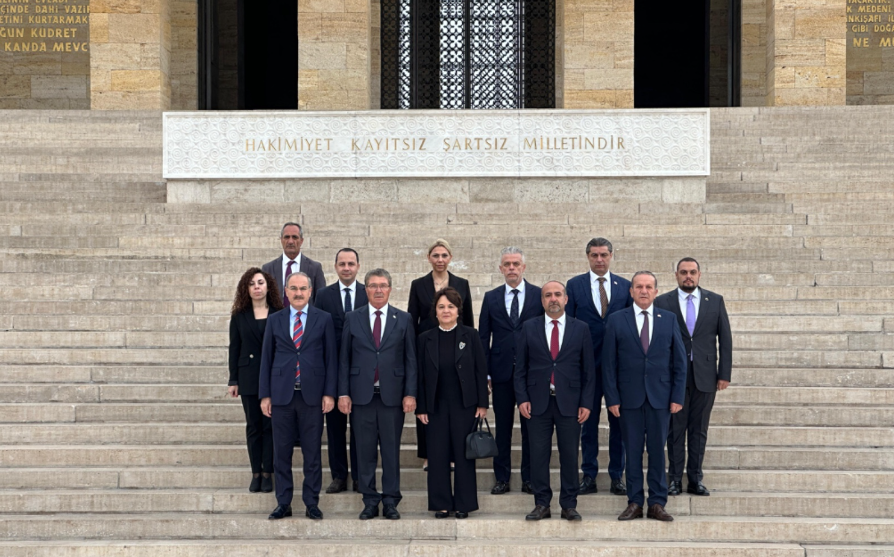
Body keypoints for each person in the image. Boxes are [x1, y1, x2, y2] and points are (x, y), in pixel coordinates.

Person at [603, 271, 687, 522]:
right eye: (638, 286)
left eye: (648, 287)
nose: (643, 291)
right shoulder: (617, 320)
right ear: (630, 291)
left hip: (661, 398)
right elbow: (608, 364)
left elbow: (680, 363)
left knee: (657, 451)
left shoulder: (669, 319)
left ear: (656, 292)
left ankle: (657, 503)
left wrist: (677, 396)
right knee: (633, 450)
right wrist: (612, 398)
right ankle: (635, 501)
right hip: (628, 399)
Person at [338, 268, 418, 520]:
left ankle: (391, 500)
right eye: (373, 285)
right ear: (366, 289)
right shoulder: (353, 317)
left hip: (392, 397)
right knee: (364, 451)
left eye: (383, 285)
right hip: (361, 396)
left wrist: (410, 393)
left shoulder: (403, 318)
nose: (378, 290)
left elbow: (410, 360)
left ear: (390, 289)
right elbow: (344, 359)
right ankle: (370, 500)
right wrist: (343, 393)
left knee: (391, 450)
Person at [259, 272, 338, 521]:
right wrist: (265, 395)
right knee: (281, 454)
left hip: (312, 397)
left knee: (312, 453)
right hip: (281, 396)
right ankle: (283, 502)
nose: (298, 293)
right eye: (293, 288)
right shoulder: (275, 319)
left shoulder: (323, 319)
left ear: (310, 291)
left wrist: (329, 393)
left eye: (303, 288)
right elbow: (266, 359)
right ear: (286, 291)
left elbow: (331, 359)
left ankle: (311, 502)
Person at [515, 281, 595, 522]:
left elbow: (589, 371)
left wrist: (587, 403)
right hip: (537, 403)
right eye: (548, 295)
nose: (553, 299)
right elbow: (520, 368)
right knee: (538, 455)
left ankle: (568, 504)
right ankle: (542, 504)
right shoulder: (529, 327)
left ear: (566, 299)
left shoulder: (580, 328)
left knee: (569, 455)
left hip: (570, 403)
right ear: (542, 301)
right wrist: (522, 398)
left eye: (557, 294)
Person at [655, 257, 732, 497]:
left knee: (699, 429)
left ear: (700, 275)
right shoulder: (662, 302)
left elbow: (725, 339)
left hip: (706, 375)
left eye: (692, 272)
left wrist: (724, 373)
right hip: (673, 377)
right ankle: (675, 479)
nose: (688, 276)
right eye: (683, 272)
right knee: (675, 430)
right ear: (676, 275)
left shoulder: (715, 301)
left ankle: (695, 479)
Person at [566, 237, 631, 496]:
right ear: (588, 257)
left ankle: (617, 476)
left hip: (617, 370)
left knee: (619, 425)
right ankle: (589, 475)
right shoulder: (574, 285)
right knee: (588, 425)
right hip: (586, 369)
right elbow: (569, 326)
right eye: (594, 255)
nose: (599, 260)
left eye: (604, 255)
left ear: (612, 256)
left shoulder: (625, 287)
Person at [416, 287, 489, 519]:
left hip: (465, 405)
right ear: (434, 312)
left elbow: (480, 370)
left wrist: (482, 403)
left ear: (458, 310)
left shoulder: (471, 335)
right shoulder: (424, 338)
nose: (446, 311)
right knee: (437, 456)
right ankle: (441, 504)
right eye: (441, 307)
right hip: (435, 406)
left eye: (451, 306)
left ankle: (464, 504)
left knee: (463, 455)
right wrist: (421, 406)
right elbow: (419, 375)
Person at [478, 247, 542, 495]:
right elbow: (483, 337)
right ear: (501, 269)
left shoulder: (538, 295)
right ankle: (502, 477)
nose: (512, 268)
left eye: (516, 263)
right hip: (501, 373)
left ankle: (529, 478)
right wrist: (485, 374)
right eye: (507, 264)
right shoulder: (491, 297)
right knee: (503, 429)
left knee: (530, 430)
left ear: (523, 267)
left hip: (531, 374)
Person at [407, 239, 474, 470]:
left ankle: (455, 454)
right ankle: (427, 454)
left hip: (455, 350)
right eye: (435, 255)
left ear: (450, 258)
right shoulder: (418, 285)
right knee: (428, 401)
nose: (440, 259)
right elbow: (411, 319)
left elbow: (469, 320)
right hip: (427, 349)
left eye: (444, 255)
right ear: (429, 258)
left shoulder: (462, 284)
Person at [314, 248, 368, 494]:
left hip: (360, 371)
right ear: (335, 267)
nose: (347, 268)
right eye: (342, 264)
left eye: (351, 263)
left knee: (359, 427)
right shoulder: (324, 295)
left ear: (358, 267)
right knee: (335, 427)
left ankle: (359, 476)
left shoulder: (368, 293)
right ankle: (339, 476)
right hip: (332, 371)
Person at [227, 267, 283, 494]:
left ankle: (268, 472)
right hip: (248, 376)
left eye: (260, 282)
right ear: (246, 289)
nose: (257, 287)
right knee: (253, 426)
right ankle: (256, 473)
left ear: (268, 286)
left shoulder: (279, 313)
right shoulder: (239, 316)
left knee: (270, 426)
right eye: (252, 284)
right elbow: (235, 347)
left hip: (273, 376)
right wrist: (233, 379)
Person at [262, 222, 326, 307]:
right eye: (287, 237)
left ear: (301, 241)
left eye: (295, 237)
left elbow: (321, 300)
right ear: (281, 240)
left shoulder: (315, 268)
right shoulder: (268, 269)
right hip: (276, 319)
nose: (290, 241)